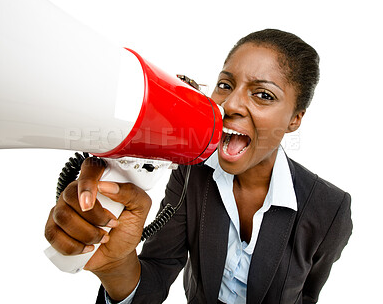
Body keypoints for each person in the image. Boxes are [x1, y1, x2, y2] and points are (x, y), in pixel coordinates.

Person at [45, 29, 352, 303]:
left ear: (295, 118)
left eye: (263, 95)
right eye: (225, 84)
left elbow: (309, 294)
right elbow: (157, 273)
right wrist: (116, 266)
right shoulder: (191, 172)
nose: (230, 105)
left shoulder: (330, 208)